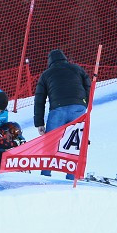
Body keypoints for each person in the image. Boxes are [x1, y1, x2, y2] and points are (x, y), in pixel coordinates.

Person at [33, 49, 91, 178]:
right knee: (74, 143)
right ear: (65, 59)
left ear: (50, 63)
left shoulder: (46, 74)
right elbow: (89, 86)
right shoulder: (77, 69)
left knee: (50, 144)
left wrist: (39, 123)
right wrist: (84, 104)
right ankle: (72, 177)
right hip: (78, 108)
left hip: (58, 109)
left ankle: (45, 176)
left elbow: (39, 99)